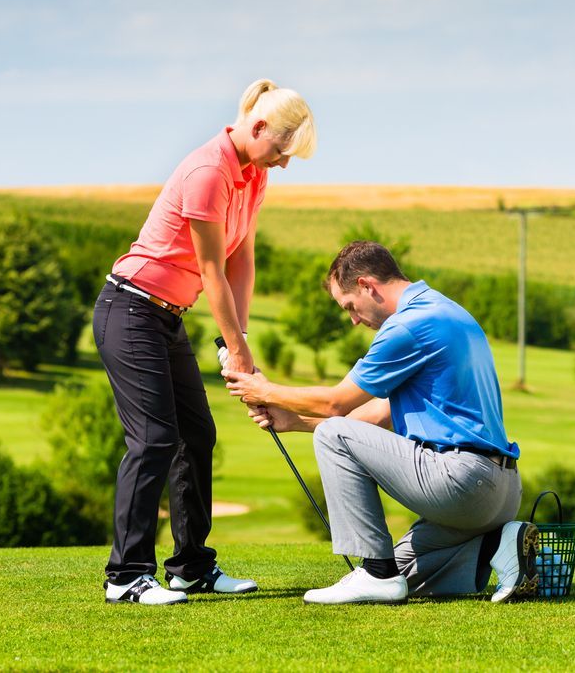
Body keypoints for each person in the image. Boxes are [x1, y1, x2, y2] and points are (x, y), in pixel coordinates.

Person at [96, 79, 316, 605]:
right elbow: (211, 271)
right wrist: (238, 353)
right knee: (153, 439)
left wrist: (235, 336)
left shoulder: (251, 176)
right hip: (129, 310)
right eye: (282, 149)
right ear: (258, 127)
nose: (283, 162)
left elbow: (242, 259)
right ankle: (125, 576)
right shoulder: (207, 172)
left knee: (196, 435)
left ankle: (191, 567)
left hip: (166, 317)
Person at [224, 240, 539, 605]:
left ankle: (374, 571)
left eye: (350, 307)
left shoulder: (408, 326)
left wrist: (265, 389)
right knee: (403, 578)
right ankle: (502, 546)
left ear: (366, 285)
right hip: (499, 495)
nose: (354, 320)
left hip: (462, 482)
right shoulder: (445, 310)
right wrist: (296, 421)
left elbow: (335, 405)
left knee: (380, 572)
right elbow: (380, 414)